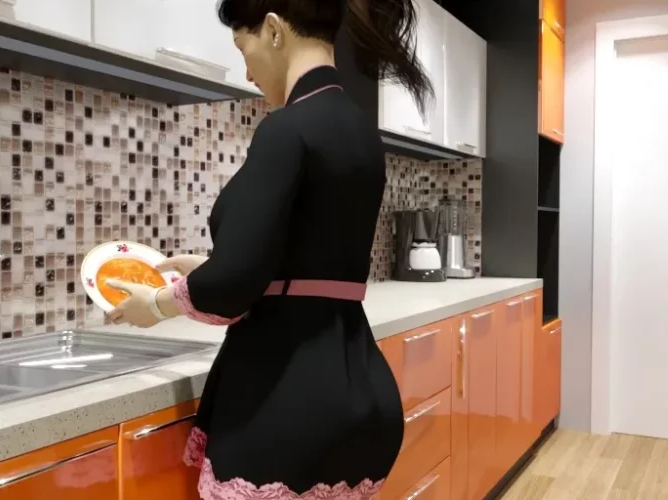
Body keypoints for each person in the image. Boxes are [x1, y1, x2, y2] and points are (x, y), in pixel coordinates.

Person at [102, 0, 433, 498]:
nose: (247, 71)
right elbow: (308, 253)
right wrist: (214, 265)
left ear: (275, 31)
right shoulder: (361, 130)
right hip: (359, 393)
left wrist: (155, 305)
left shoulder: (285, 128)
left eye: (243, 47)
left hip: (285, 403)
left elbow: (233, 282)